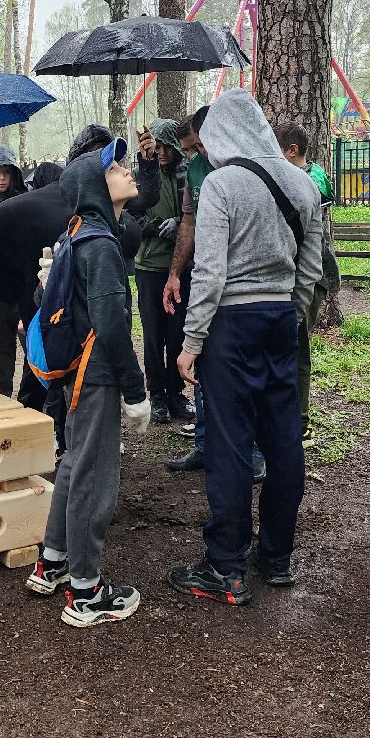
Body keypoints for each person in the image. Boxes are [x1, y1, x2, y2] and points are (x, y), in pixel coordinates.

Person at [168, 90, 323, 605]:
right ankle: (277, 557)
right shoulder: (301, 182)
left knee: (230, 442)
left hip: (230, 325)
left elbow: (209, 273)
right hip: (281, 319)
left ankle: (225, 566)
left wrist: (191, 342)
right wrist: (292, 312)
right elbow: (312, 265)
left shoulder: (221, 184)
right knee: (283, 439)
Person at [24, 137, 150, 627]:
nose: (125, 170)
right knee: (94, 476)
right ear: (96, 185)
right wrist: (136, 392)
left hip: (74, 370)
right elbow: (113, 325)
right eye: (115, 167)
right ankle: (88, 593)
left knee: (75, 466)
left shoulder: (77, 232)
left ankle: (51, 562)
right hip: (95, 377)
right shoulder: (99, 243)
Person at [0, 128, 142, 405]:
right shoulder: (64, 221)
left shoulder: (85, 217)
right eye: (114, 169)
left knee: (43, 346)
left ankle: (38, 418)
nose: (124, 172)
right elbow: (42, 303)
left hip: (19, 265)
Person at [160, 107, 266, 484]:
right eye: (191, 148)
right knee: (200, 363)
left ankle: (253, 454)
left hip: (241, 285)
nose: (199, 153)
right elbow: (188, 221)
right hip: (204, 277)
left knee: (242, 373)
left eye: (202, 145)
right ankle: (205, 445)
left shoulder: (246, 166)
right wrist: (175, 273)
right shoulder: (195, 169)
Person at [273, 122, 342, 440]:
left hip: (312, 274)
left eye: (278, 152)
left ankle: (299, 421)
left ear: (292, 151)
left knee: (297, 347)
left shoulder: (313, 177)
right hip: (291, 271)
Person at [131, 119, 194, 426]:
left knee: (178, 333)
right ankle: (156, 394)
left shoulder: (187, 175)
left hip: (180, 268)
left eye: (167, 146)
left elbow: (194, 214)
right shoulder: (140, 177)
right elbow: (133, 216)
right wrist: (158, 228)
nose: (163, 153)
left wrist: (179, 225)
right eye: (158, 148)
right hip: (149, 266)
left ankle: (175, 392)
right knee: (154, 335)